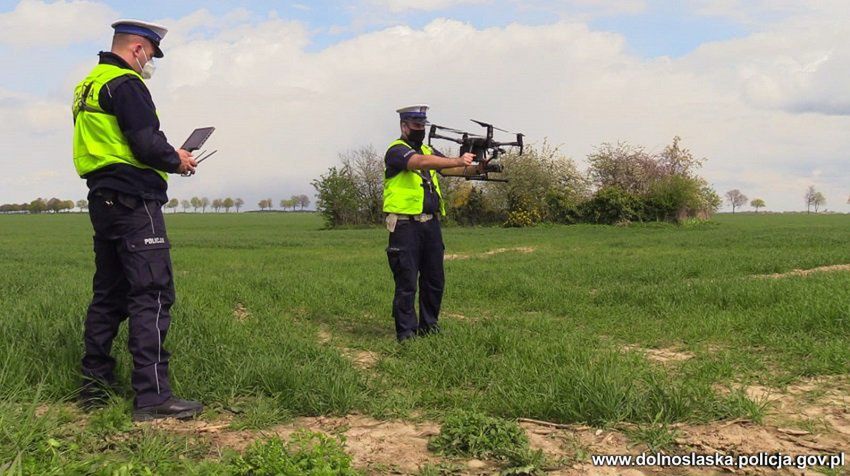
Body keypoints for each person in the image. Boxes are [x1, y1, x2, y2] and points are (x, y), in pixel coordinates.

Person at [72, 19, 202, 421]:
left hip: (102, 198)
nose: (151, 63)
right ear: (138, 49)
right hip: (134, 202)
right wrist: (175, 158)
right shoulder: (127, 85)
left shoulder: (88, 84)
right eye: (151, 54)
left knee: (109, 295)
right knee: (152, 294)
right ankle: (153, 397)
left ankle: (94, 384)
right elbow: (145, 144)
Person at [383, 105, 475, 342]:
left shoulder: (427, 149)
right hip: (405, 226)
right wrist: (456, 158)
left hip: (430, 225)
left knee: (434, 280)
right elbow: (419, 163)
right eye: (416, 125)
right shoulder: (396, 151)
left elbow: (452, 169)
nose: (420, 129)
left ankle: (429, 326)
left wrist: (477, 167)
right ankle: (406, 333)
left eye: (423, 125)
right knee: (407, 281)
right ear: (404, 126)